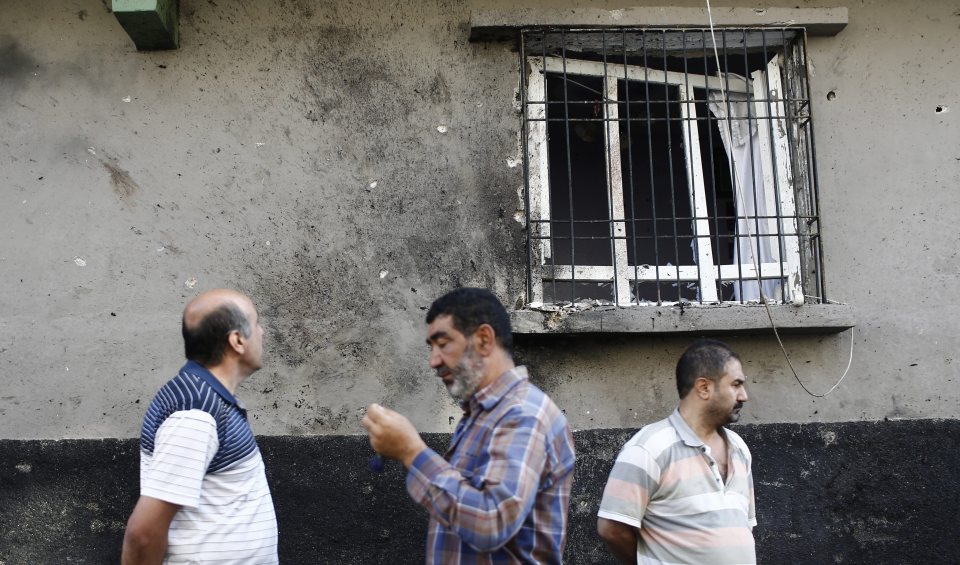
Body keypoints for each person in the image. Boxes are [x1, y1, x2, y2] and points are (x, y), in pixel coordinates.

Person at [362, 287, 576, 563]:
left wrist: (410, 452)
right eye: (431, 347)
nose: (433, 361)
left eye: (443, 343)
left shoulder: (523, 415)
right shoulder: (484, 414)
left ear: (484, 339)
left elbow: (490, 521)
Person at [121, 289, 278, 565]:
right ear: (237, 340)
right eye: (257, 323)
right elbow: (143, 533)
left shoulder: (206, 398)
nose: (262, 333)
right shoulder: (194, 412)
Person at [597, 339, 755, 565]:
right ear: (704, 388)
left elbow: (742, 529)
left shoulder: (739, 448)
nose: (744, 396)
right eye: (736, 384)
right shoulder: (649, 448)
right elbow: (612, 529)